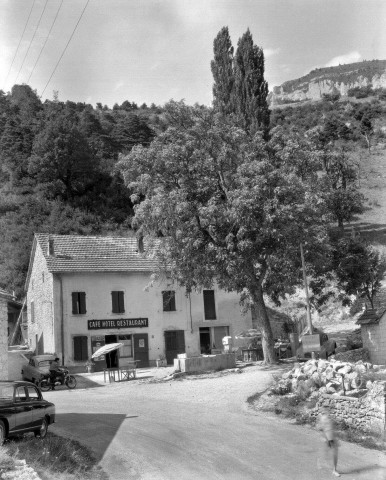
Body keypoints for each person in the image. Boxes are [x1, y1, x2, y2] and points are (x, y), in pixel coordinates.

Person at [318, 405, 340, 477]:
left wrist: (336, 438)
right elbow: (320, 429)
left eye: (329, 410)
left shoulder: (331, 418)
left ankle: (334, 470)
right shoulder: (323, 418)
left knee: (335, 454)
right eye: (326, 410)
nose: (328, 411)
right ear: (324, 411)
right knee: (326, 453)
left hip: (333, 438)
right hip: (327, 438)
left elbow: (333, 428)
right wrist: (324, 438)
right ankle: (320, 461)